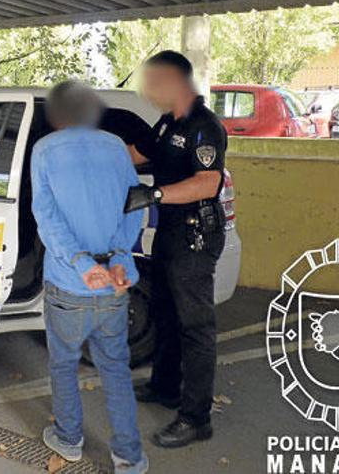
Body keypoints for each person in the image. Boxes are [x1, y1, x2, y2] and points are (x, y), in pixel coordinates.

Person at [32, 80, 148, 473]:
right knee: (115, 367)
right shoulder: (116, 147)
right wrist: (119, 258)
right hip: (115, 282)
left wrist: (84, 264)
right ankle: (129, 458)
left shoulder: (44, 150)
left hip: (69, 284)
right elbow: (136, 204)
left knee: (63, 364)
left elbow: (47, 219)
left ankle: (68, 440)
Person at [124, 50, 228, 448]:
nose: (147, 91)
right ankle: (166, 387)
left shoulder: (205, 127)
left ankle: (196, 417)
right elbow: (138, 153)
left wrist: (154, 193)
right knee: (165, 311)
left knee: (195, 327)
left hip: (195, 235)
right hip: (170, 231)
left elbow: (207, 183)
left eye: (153, 82)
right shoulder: (169, 121)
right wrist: (87, 150)